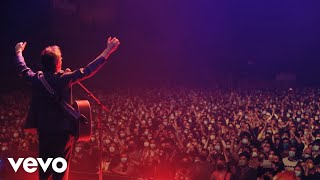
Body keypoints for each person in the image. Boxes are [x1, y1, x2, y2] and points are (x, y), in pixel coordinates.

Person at [14, 37, 120, 180]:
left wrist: (19, 52)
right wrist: (108, 50)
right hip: (62, 133)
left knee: (45, 171)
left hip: (44, 131)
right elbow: (88, 70)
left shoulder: (36, 79)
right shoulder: (65, 78)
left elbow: (23, 69)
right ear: (58, 63)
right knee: (60, 172)